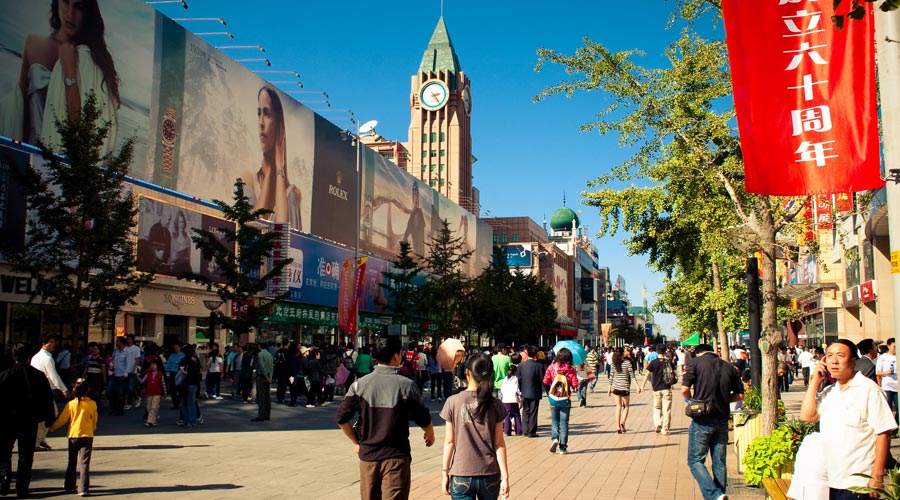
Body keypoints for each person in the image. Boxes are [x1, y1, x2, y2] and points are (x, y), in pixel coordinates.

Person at [0, 0, 119, 150]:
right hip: (30, 155)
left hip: (61, 158)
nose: (70, 14)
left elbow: (79, 128)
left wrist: (69, 69)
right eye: (65, 2)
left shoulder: (87, 61)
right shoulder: (34, 43)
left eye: (79, 7)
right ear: (56, 3)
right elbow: (20, 112)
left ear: (88, 14)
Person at [336, 337, 435, 500]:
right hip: (396, 457)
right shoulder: (407, 386)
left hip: (368, 458)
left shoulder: (360, 385)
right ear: (396, 356)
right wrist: (429, 432)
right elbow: (422, 416)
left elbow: (341, 418)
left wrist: (356, 442)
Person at [800, 339, 897, 499]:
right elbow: (807, 416)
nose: (834, 361)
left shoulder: (868, 390)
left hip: (858, 483)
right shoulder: (830, 392)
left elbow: (883, 433)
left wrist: (877, 475)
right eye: (829, 356)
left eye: (840, 356)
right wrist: (815, 382)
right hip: (829, 481)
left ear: (853, 361)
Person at [440, 353, 510, 500]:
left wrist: (445, 472)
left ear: (467, 372)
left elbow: (449, 441)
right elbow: (499, 444)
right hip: (490, 473)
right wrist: (505, 477)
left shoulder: (453, 402)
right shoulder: (496, 404)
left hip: (461, 473)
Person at [681, 344, 744, 500]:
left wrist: (690, 400)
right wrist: (723, 400)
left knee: (695, 461)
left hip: (702, 419)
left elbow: (684, 389)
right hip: (722, 419)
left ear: (698, 353)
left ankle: (715, 495)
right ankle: (720, 494)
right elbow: (740, 395)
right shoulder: (730, 367)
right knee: (719, 462)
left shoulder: (695, 363)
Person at [0, 343, 55, 498]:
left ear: (13, 356)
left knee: (4, 451)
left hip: (7, 420)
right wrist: (49, 419)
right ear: (30, 357)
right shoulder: (37, 376)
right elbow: (47, 399)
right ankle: (22, 486)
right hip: (29, 420)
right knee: (25, 454)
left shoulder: (4, 375)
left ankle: (4, 478)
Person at [243, 86, 302, 229]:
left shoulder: (292, 194)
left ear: (279, 125)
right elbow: (252, 229)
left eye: (267, 114)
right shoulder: (249, 179)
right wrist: (270, 171)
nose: (261, 122)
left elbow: (283, 234)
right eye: (259, 113)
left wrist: (279, 167)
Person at [49, 379, 97, 497]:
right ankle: (83, 488)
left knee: (72, 461)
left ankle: (69, 485)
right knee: (84, 463)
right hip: (87, 435)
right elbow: (94, 420)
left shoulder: (71, 404)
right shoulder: (92, 404)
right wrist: (92, 429)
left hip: (73, 435)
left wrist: (52, 427)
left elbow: (62, 419)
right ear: (88, 390)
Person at [30, 333, 70, 450]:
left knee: (48, 414)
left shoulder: (37, 357)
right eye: (51, 342)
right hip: (43, 390)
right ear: (44, 343)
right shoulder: (46, 358)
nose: (54, 344)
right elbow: (53, 376)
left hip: (38, 389)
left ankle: (41, 438)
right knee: (48, 414)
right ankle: (37, 440)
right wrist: (64, 389)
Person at [542, 347, 578, 455]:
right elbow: (575, 384)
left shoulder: (551, 367)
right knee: (564, 423)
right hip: (565, 399)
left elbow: (545, 381)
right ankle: (563, 448)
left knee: (554, 420)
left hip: (553, 399)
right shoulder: (571, 369)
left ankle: (554, 438)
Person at [639, 346, 677, 435]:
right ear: (665, 352)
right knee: (666, 410)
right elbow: (674, 374)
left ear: (657, 351)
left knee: (657, 407)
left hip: (656, 389)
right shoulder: (669, 362)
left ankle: (658, 424)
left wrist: (642, 386)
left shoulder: (653, 362)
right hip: (666, 388)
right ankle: (665, 429)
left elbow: (647, 374)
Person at [517, 345, 543, 438]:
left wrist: (520, 389)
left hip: (524, 391)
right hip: (535, 392)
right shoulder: (539, 366)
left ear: (527, 353)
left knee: (525, 411)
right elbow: (542, 379)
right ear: (536, 354)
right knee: (533, 411)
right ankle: (531, 431)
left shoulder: (521, 365)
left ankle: (525, 430)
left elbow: (519, 379)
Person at [608, 346, 635, 434]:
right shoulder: (627, 363)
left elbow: (611, 376)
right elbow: (632, 375)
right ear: (622, 353)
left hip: (616, 387)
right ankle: (623, 422)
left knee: (618, 407)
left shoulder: (614, 363)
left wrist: (609, 387)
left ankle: (617, 426)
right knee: (626, 406)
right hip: (625, 387)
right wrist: (638, 386)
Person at [876, 338, 898, 437]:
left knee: (898, 407)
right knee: (887, 408)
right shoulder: (883, 358)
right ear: (889, 346)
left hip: (897, 386)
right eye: (894, 347)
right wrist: (886, 373)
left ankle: (896, 427)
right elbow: (878, 372)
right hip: (887, 385)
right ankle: (888, 430)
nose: (895, 349)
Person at [178, 345, 201, 429]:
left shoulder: (187, 361)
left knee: (185, 403)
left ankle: (188, 421)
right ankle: (190, 421)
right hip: (191, 384)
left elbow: (190, 373)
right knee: (189, 403)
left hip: (187, 383)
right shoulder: (194, 361)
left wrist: (183, 371)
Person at [139, 360, 166, 428]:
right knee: (149, 407)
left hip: (157, 393)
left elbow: (163, 384)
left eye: (154, 365)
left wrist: (165, 392)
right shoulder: (148, 373)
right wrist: (138, 377)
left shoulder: (160, 374)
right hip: (149, 392)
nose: (152, 366)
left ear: (157, 366)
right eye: (151, 365)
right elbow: (142, 381)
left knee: (154, 407)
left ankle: (150, 421)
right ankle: (154, 419)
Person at [402, 182, 426, 255]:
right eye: (414, 194)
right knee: (416, 247)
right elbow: (409, 227)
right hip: (415, 233)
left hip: (418, 234)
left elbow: (422, 224)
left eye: (416, 194)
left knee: (419, 247)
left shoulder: (418, 212)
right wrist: (405, 238)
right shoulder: (413, 213)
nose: (415, 197)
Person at [252, 344, 273, 421]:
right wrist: (270, 377)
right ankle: (267, 415)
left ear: (259, 346)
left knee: (261, 396)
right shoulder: (269, 354)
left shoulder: (260, 354)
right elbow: (272, 366)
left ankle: (261, 415)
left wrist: (266, 377)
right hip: (268, 376)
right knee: (267, 396)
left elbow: (261, 366)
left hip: (261, 376)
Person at [500, 365, 522, 436]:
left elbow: (502, 390)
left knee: (507, 416)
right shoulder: (515, 379)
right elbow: (516, 390)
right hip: (513, 399)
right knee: (517, 415)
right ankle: (518, 430)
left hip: (505, 400)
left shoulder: (505, 379)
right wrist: (521, 394)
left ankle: (507, 431)